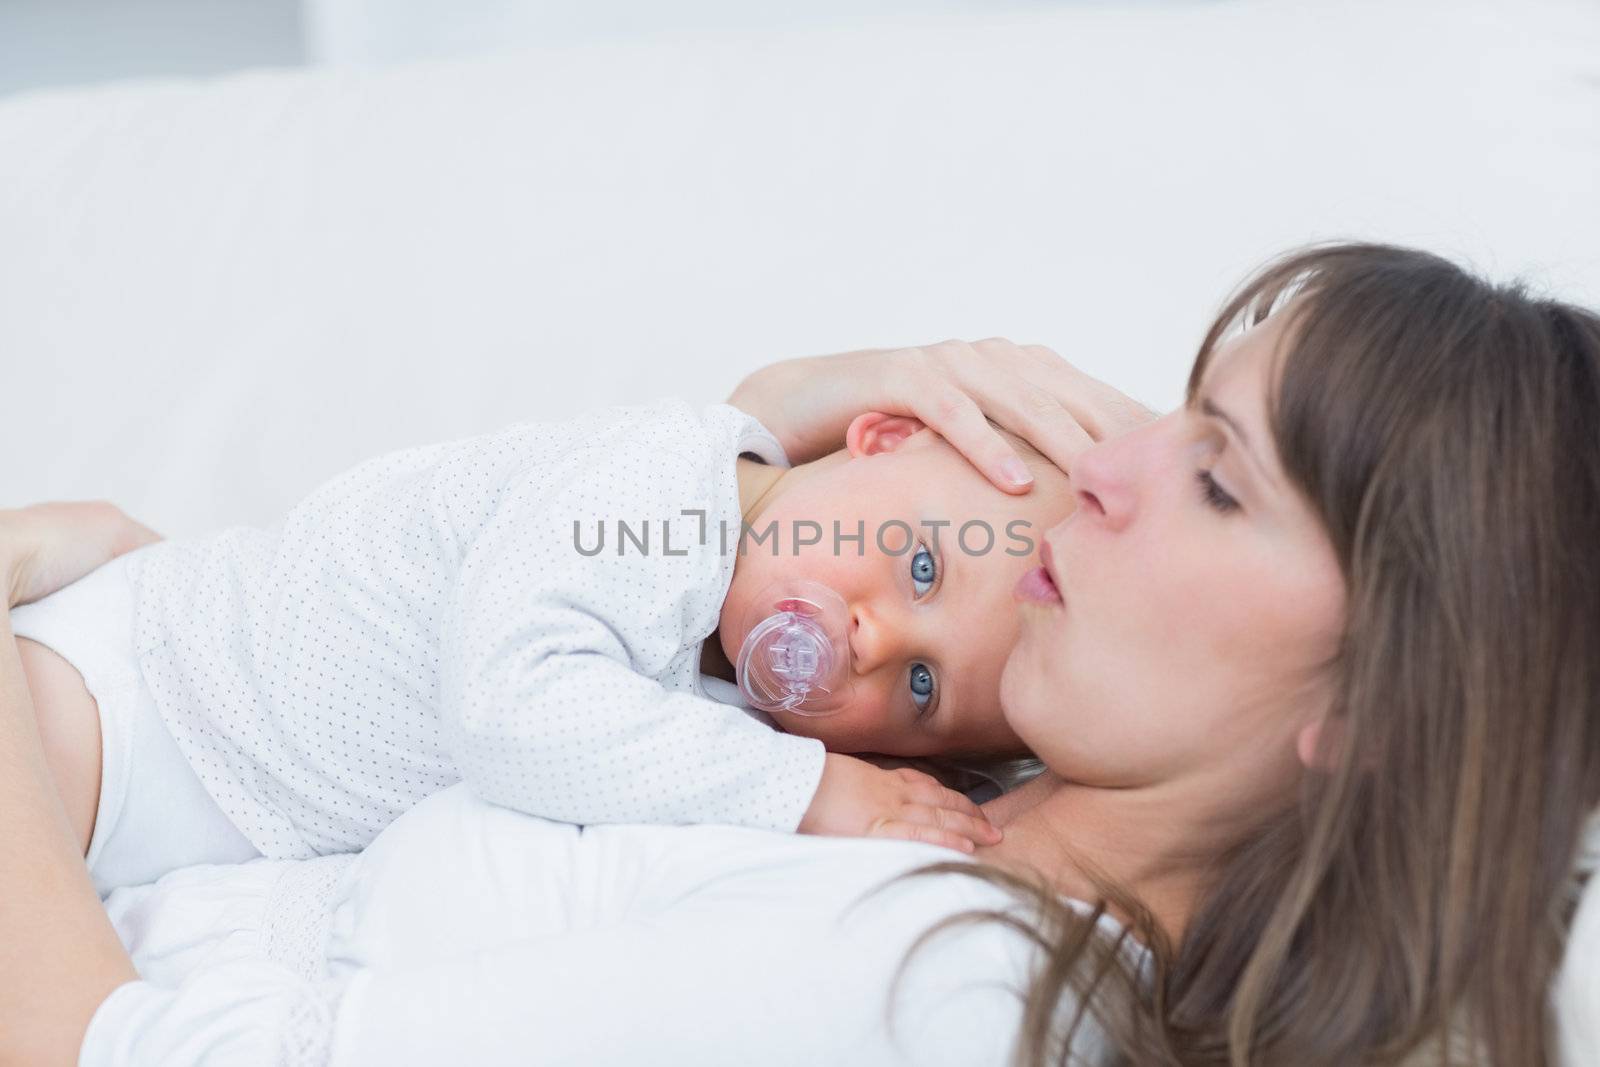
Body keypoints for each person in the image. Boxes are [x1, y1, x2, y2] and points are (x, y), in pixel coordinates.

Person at [3, 239, 1596, 1066]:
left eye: (1221, 478)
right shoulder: (972, 784)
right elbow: (654, 600)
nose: (1109, 461)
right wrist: (168, 604)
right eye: (1183, 410)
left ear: (1382, 710)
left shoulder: (943, 983)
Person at [11, 393, 1078, 895]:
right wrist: (814, 790)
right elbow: (509, 709)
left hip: (198, 816)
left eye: (923, 685)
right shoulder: (659, 497)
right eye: (922, 564)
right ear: (883, 437)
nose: (873, 636)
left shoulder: (723, 681)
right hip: (138, 699)